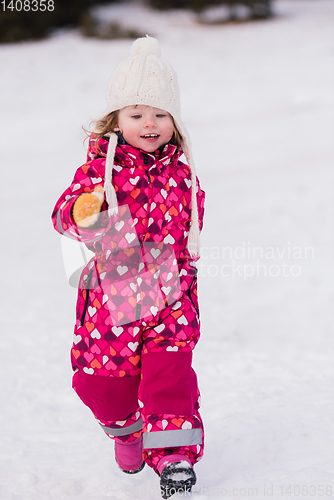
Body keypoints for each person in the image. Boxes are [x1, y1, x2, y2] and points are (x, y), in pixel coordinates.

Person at [52, 35, 205, 499]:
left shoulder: (184, 171)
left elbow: (192, 225)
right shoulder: (100, 170)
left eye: (160, 114)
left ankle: (174, 458)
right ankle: (125, 433)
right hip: (111, 299)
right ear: (116, 120)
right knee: (102, 386)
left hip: (170, 296)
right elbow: (62, 214)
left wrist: (182, 271)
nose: (150, 123)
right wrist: (84, 212)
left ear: (174, 121)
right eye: (137, 114)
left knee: (170, 379)